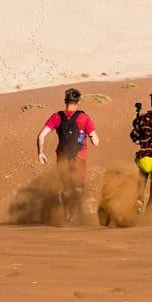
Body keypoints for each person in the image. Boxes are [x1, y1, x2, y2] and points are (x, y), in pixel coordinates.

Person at [36, 88, 99, 222]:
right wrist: (93, 138)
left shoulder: (57, 116)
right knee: (79, 188)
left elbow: (41, 136)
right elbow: (95, 140)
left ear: (65, 100)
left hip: (62, 157)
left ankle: (67, 208)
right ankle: (73, 212)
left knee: (66, 187)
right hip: (79, 157)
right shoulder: (84, 117)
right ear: (78, 101)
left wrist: (40, 153)